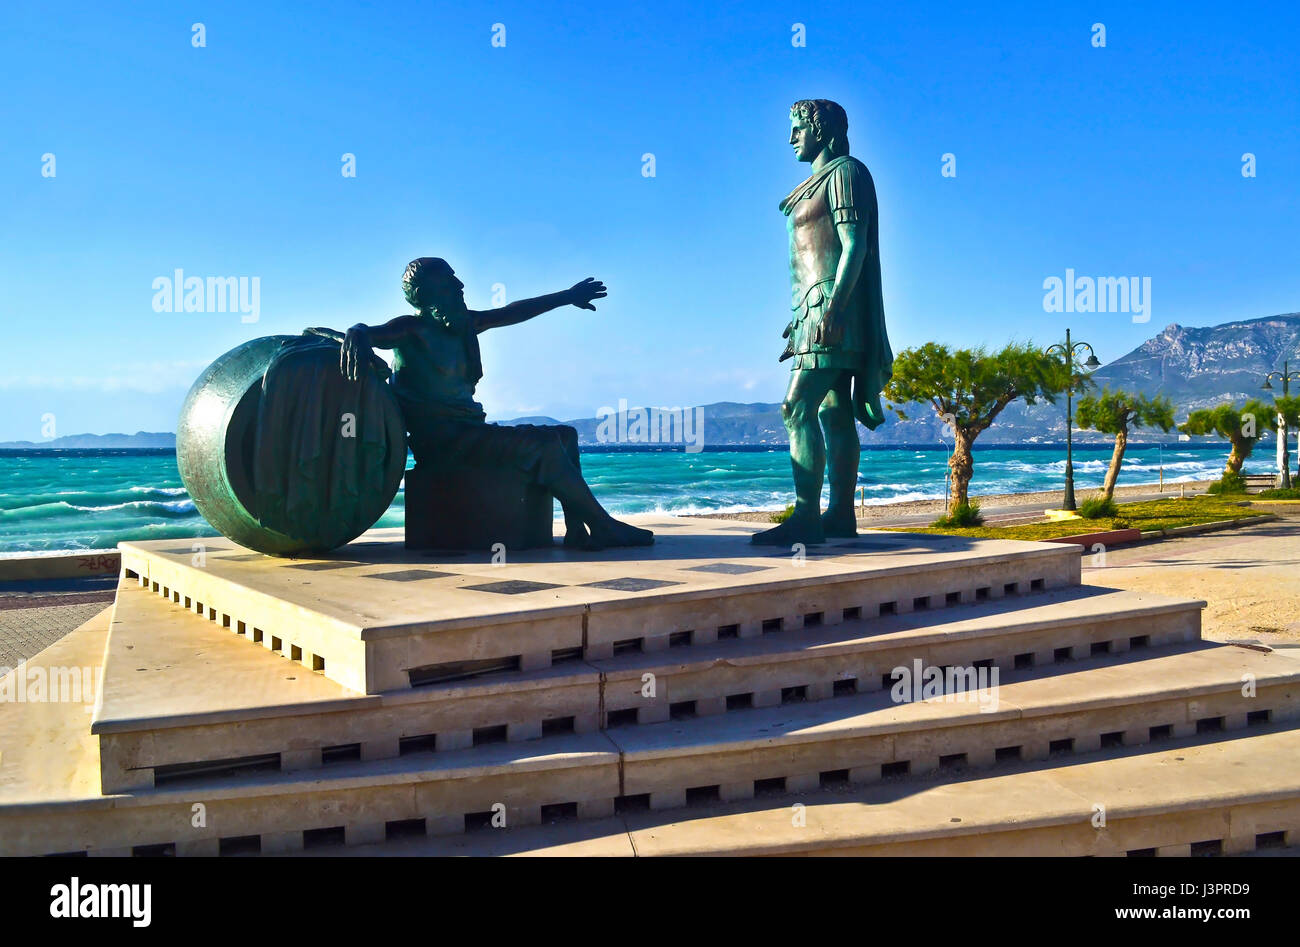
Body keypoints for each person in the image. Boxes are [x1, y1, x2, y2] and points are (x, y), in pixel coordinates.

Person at [339, 257, 653, 549]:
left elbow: (512, 312)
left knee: (565, 436)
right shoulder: (411, 329)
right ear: (425, 294)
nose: (461, 286)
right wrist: (357, 331)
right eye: (450, 282)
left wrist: (567, 296)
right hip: (443, 442)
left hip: (469, 432)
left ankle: (577, 531)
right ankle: (603, 525)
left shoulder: (463, 326)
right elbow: (373, 334)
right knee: (542, 447)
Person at [752, 99, 893, 546]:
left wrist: (832, 309)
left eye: (798, 128)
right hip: (812, 310)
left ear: (822, 129)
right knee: (834, 412)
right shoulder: (814, 182)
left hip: (832, 310)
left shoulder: (846, 173)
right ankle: (840, 516)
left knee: (796, 408)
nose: (792, 137)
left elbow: (856, 245)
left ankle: (806, 516)